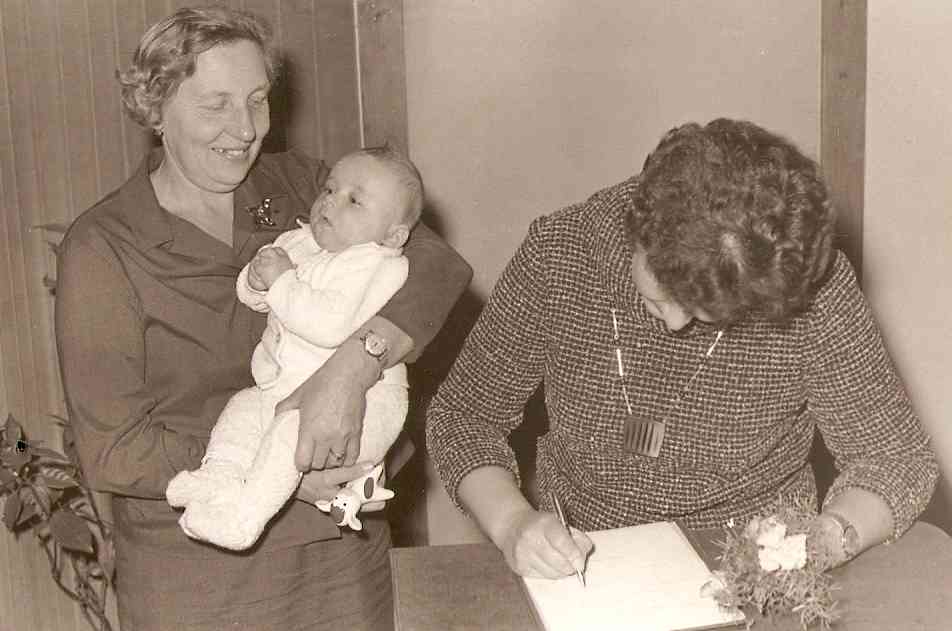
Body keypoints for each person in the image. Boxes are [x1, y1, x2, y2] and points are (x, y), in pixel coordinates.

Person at [54, 6, 471, 631]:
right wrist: (287, 464)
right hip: (198, 570)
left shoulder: (302, 185)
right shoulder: (104, 246)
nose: (245, 129)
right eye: (215, 105)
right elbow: (114, 449)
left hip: (338, 552)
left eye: (256, 100)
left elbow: (437, 267)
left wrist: (353, 370)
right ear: (155, 108)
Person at [426, 118, 938, 582]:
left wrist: (828, 537)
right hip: (579, 559)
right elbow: (464, 416)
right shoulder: (561, 253)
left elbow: (896, 459)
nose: (673, 324)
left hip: (752, 568)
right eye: (661, 298)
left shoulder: (808, 289)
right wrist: (512, 523)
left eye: (706, 311)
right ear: (637, 232)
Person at [166, 146, 424, 551]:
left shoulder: (380, 264)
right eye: (330, 190)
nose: (331, 203)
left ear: (393, 235)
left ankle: (244, 517)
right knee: (241, 410)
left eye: (354, 201)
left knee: (289, 434)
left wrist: (282, 281)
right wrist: (255, 280)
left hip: (364, 407)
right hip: (283, 389)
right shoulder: (302, 243)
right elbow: (259, 299)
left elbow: (329, 325)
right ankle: (218, 480)